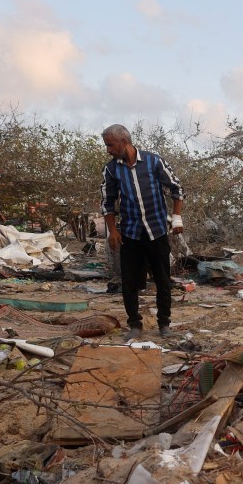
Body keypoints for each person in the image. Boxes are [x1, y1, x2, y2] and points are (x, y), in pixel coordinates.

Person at [100, 124, 184, 340]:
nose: (108, 149)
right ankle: (135, 325)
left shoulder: (154, 162)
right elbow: (108, 203)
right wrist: (112, 230)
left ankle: (164, 324)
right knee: (129, 282)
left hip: (156, 231)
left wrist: (176, 218)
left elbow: (177, 188)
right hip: (130, 233)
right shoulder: (111, 169)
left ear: (124, 142)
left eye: (110, 145)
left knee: (163, 279)